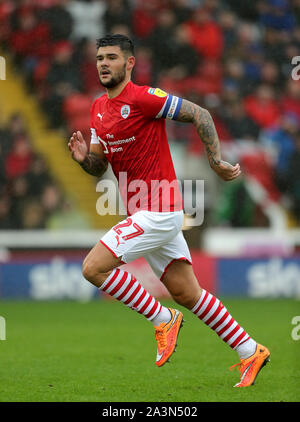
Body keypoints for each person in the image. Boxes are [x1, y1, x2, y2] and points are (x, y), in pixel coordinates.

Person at [68, 34, 270, 388]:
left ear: (129, 63)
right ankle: (250, 350)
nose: (103, 63)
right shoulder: (98, 108)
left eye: (112, 57)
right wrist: (85, 159)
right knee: (187, 293)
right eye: (100, 57)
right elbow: (101, 166)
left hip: (159, 209)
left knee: (93, 267)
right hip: (146, 212)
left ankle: (162, 319)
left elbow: (199, 113)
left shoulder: (144, 97)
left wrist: (216, 161)